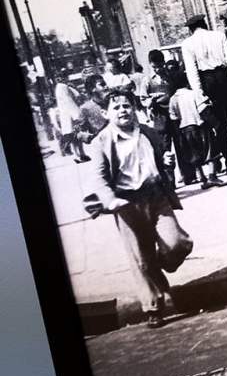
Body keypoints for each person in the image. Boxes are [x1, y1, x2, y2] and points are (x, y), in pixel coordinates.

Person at [82, 89, 193, 329]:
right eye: (116, 107)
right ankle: (153, 306)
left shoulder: (148, 132)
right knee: (140, 259)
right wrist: (111, 200)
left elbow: (160, 159)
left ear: (134, 109)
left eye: (126, 106)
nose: (122, 110)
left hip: (155, 196)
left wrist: (166, 163)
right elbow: (98, 178)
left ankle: (161, 263)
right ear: (105, 113)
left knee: (177, 243)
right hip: (126, 203)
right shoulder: (100, 142)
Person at [180, 14, 227, 173]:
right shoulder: (218, 36)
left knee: (220, 125)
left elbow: (192, 72)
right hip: (225, 78)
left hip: (208, 82)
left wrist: (200, 94)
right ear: (204, 23)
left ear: (191, 29)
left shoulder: (188, 44)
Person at [142, 50, 193, 187]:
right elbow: (143, 99)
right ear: (150, 65)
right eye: (154, 67)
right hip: (160, 116)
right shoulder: (147, 80)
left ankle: (188, 175)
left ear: (163, 63)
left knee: (181, 143)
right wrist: (151, 100)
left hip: (174, 114)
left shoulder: (169, 76)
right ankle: (170, 180)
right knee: (165, 147)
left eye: (160, 66)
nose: (158, 69)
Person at [169, 72, 226, 190]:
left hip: (185, 129)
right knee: (210, 151)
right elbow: (203, 110)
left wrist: (179, 134)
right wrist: (216, 124)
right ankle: (212, 176)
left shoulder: (173, 100)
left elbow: (174, 118)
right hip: (200, 126)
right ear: (186, 82)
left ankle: (202, 178)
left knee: (194, 155)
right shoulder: (194, 93)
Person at [54, 72, 88, 162]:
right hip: (70, 116)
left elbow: (76, 95)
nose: (64, 78)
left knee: (74, 136)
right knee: (76, 136)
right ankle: (80, 155)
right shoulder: (62, 87)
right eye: (62, 77)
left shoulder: (63, 87)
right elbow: (69, 101)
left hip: (67, 116)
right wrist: (76, 114)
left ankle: (79, 154)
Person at [76, 74, 109, 146]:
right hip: (103, 146)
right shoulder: (85, 108)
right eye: (102, 85)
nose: (106, 87)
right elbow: (80, 133)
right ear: (92, 89)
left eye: (106, 84)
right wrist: (91, 137)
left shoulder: (114, 103)